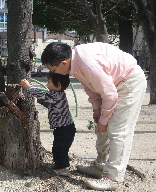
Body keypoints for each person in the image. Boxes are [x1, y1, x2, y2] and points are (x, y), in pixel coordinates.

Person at [41, 42, 147, 191]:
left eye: (54, 69)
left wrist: (104, 120)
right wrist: (98, 110)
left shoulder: (87, 64)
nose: (55, 73)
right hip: (112, 85)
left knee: (118, 131)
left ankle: (113, 178)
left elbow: (110, 95)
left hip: (128, 82)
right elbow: (90, 86)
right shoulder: (74, 61)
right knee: (103, 126)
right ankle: (100, 165)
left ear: (64, 63)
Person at [21, 72, 76, 177]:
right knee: (56, 147)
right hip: (62, 128)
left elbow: (42, 95)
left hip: (65, 129)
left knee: (61, 148)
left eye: (49, 82)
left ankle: (65, 168)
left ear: (58, 85)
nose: (47, 85)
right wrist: (41, 100)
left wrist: (28, 86)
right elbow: (48, 103)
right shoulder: (58, 95)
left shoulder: (56, 95)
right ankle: (59, 164)